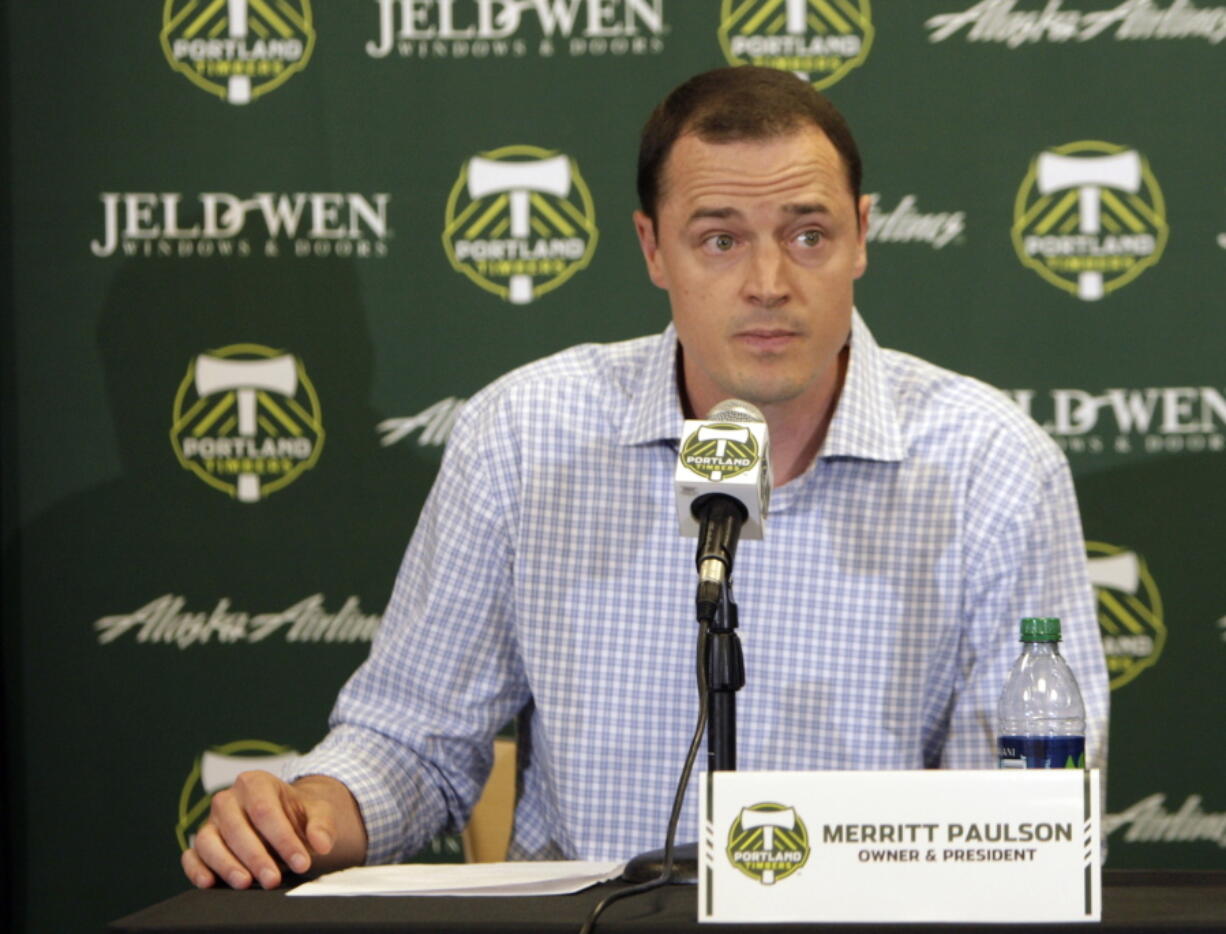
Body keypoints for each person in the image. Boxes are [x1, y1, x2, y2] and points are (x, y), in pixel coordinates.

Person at [182, 66, 1109, 890]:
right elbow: (413, 742)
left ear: (863, 237)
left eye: (808, 234)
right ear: (651, 248)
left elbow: (1025, 818)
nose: (768, 281)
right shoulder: (527, 434)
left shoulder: (992, 464)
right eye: (718, 240)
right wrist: (311, 814)